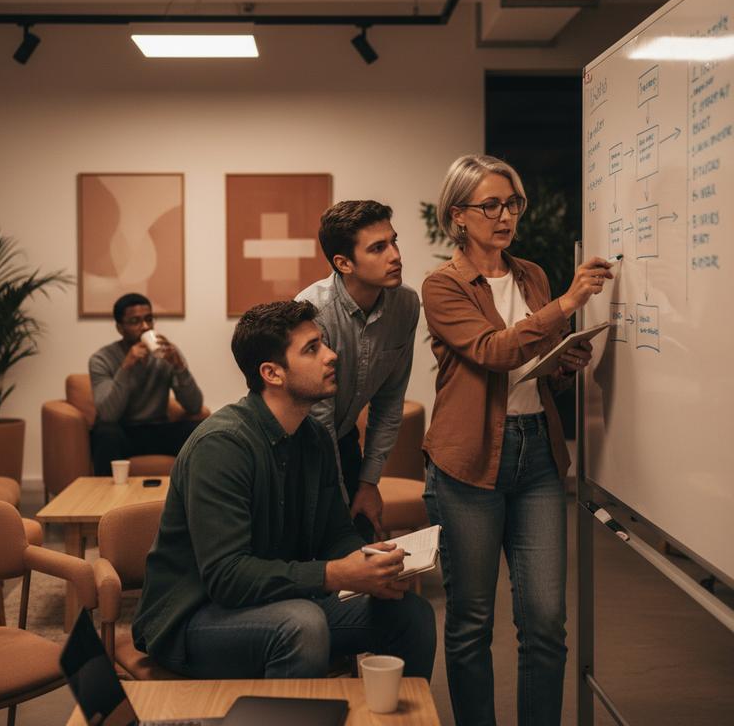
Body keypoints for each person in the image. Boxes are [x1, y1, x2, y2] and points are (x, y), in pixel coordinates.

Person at [132, 300, 435, 680]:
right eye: (312, 348)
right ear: (272, 373)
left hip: (283, 600)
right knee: (302, 624)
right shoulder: (222, 445)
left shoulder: (315, 437)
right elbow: (227, 577)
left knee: (412, 613)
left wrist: (373, 562)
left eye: (323, 343)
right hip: (195, 616)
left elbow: (335, 534)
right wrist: (336, 574)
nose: (331, 355)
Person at [421, 155, 612, 726]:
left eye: (513, 204)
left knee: (546, 623)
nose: (505, 216)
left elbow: (529, 362)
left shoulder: (531, 274)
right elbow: (491, 351)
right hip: (467, 461)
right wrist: (568, 306)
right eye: (490, 205)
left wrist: (563, 361)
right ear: (459, 216)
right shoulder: (441, 285)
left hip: (537, 455)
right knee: (472, 622)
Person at [296, 200, 420, 541]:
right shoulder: (313, 311)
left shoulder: (405, 304)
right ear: (343, 263)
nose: (395, 255)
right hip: (296, 445)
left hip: (344, 437)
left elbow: (390, 400)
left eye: (393, 241)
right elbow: (316, 420)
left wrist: (368, 483)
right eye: (378, 248)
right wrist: (337, 498)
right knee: (320, 554)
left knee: (364, 546)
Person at [88, 293, 203, 476]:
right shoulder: (101, 359)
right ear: (120, 328)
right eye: (135, 321)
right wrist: (126, 367)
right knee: (104, 433)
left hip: (158, 429)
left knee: (201, 429)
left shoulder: (166, 354)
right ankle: (106, 499)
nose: (145, 327)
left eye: (149, 319)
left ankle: (198, 497)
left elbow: (194, 405)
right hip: (123, 431)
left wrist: (179, 367)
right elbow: (108, 414)